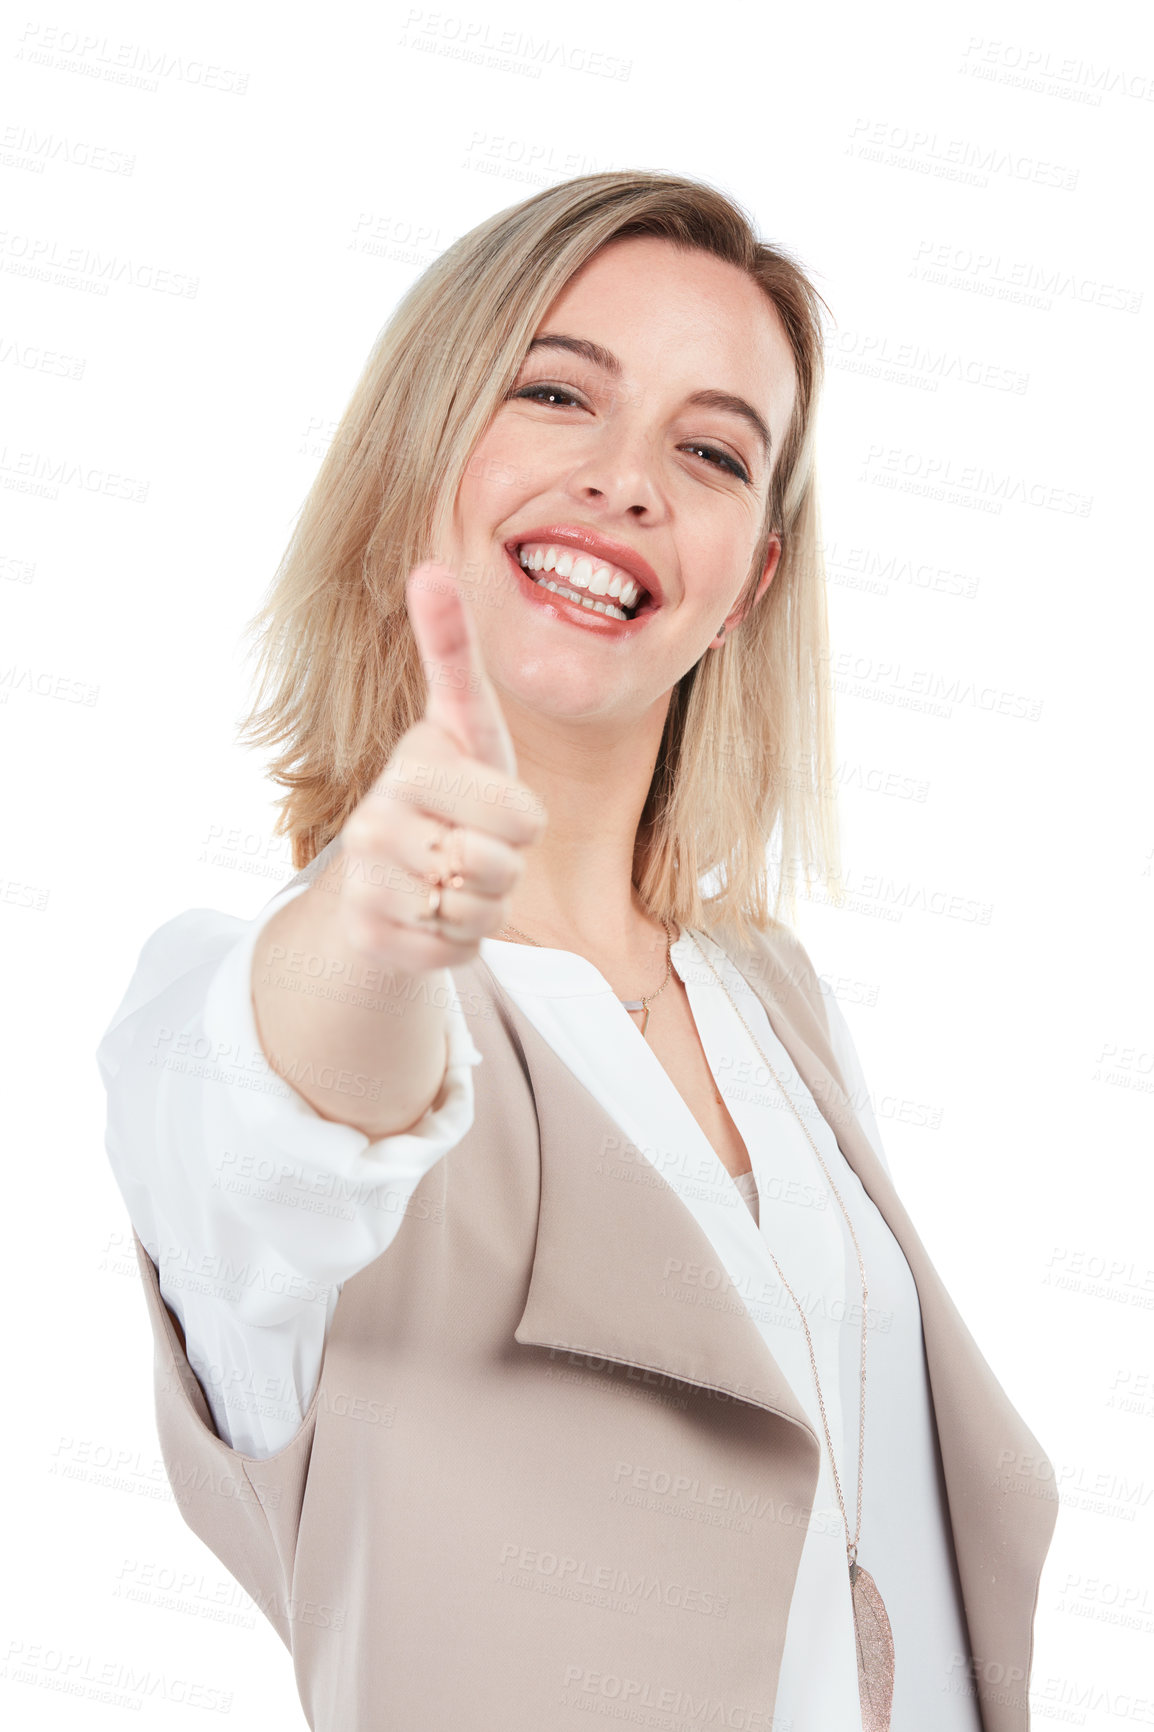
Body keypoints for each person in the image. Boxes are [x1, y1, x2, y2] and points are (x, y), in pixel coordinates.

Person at [97, 171, 1057, 1732]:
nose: (627, 483)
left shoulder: (773, 1004)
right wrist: (385, 930)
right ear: (421, 454)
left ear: (746, 580)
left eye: (709, 449)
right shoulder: (230, 1003)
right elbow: (298, 1129)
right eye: (556, 393)